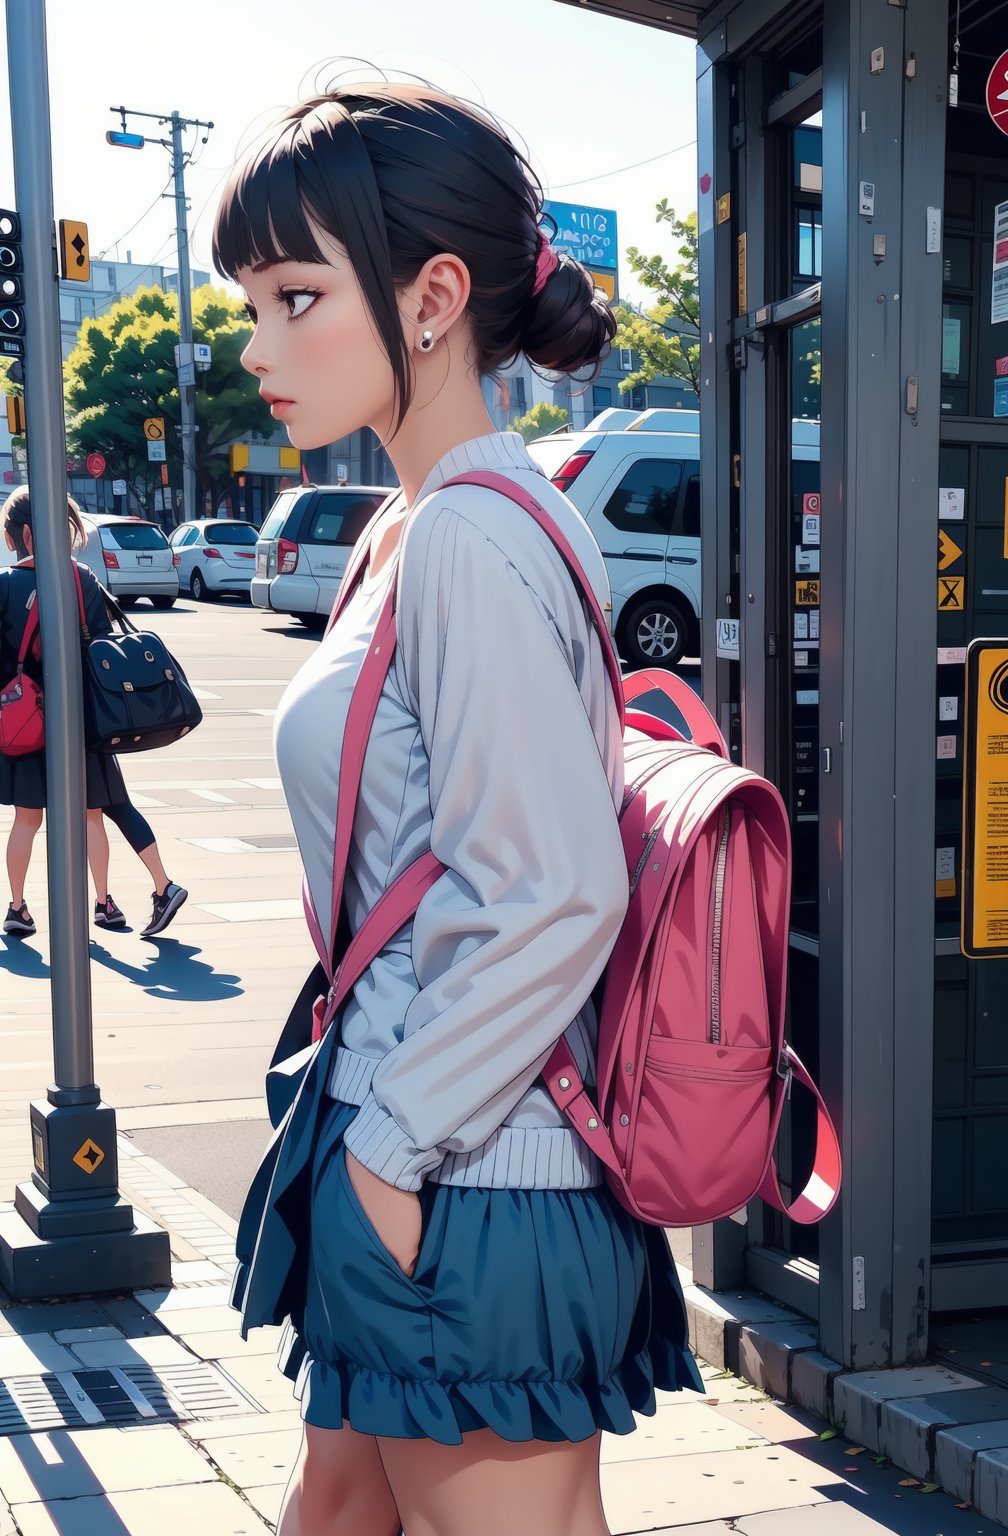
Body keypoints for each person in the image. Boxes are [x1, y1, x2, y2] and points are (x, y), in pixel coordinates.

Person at [214, 80, 703, 1536]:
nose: (258, 346)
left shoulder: (474, 539)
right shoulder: (421, 522)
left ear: (433, 297)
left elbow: (552, 893)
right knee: (337, 1508)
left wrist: (386, 1156)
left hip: (467, 1171)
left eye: (296, 297)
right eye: (252, 302)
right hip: (419, 1146)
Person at [0, 487, 188, 939]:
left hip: (27, 722)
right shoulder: (82, 577)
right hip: (83, 720)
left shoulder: (7, 584)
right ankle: (105, 903)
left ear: (23, 535)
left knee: (27, 817)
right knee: (93, 813)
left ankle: (18, 907)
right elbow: (100, 647)